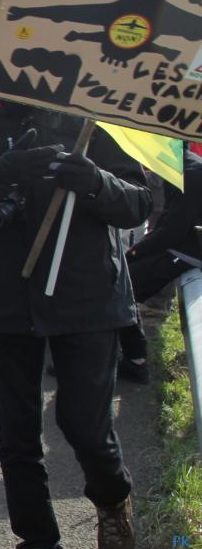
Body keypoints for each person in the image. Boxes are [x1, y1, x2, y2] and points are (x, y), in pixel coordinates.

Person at [0, 40, 149, 549]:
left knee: (85, 426)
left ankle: (113, 501)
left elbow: (138, 202)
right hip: (6, 300)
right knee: (17, 437)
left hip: (87, 297)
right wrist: (1, 171)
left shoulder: (92, 115)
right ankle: (38, 540)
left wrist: (95, 182)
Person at [119, 147, 202, 384]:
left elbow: (173, 229)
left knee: (123, 284)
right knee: (121, 281)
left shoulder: (192, 173)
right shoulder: (180, 167)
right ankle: (135, 358)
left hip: (190, 249)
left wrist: (134, 252)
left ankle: (135, 360)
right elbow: (168, 219)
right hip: (185, 244)